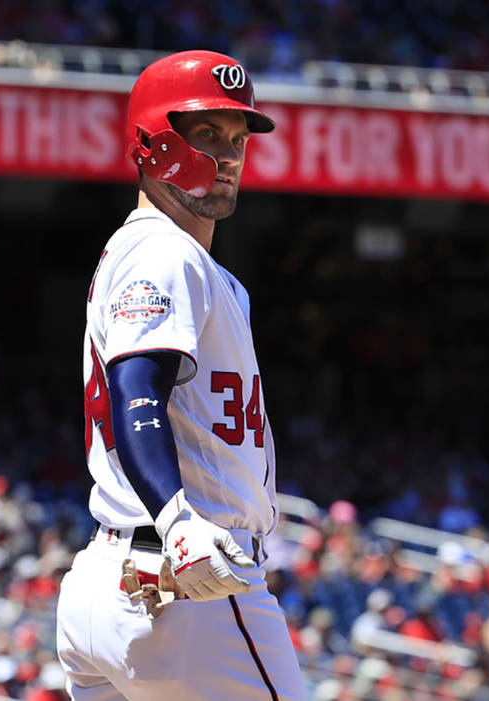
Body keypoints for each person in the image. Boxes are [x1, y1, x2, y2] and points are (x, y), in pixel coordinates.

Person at [55, 50, 306, 700]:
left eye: (238, 138)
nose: (228, 154)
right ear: (152, 139)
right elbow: (136, 390)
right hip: (185, 582)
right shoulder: (164, 250)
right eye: (206, 134)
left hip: (111, 581)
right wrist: (176, 518)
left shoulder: (195, 268)